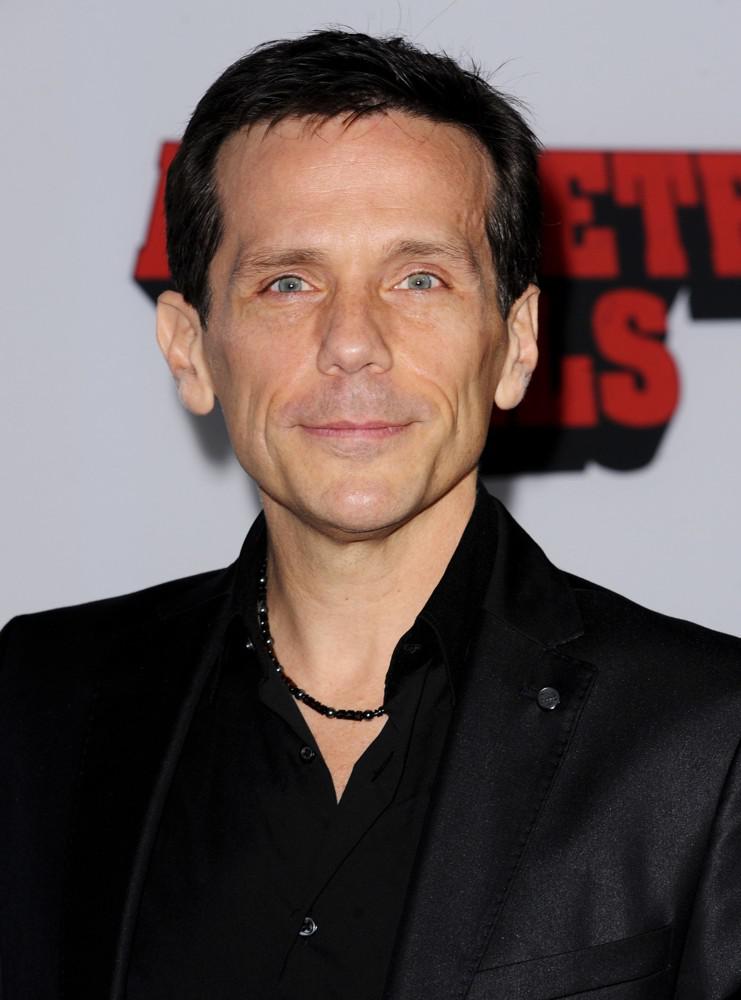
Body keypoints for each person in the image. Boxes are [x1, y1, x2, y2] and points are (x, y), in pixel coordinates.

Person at [1, 29, 740, 1000]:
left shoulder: (707, 737)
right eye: (288, 282)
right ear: (190, 349)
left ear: (515, 342)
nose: (352, 343)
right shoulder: (38, 700)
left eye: (418, 279)